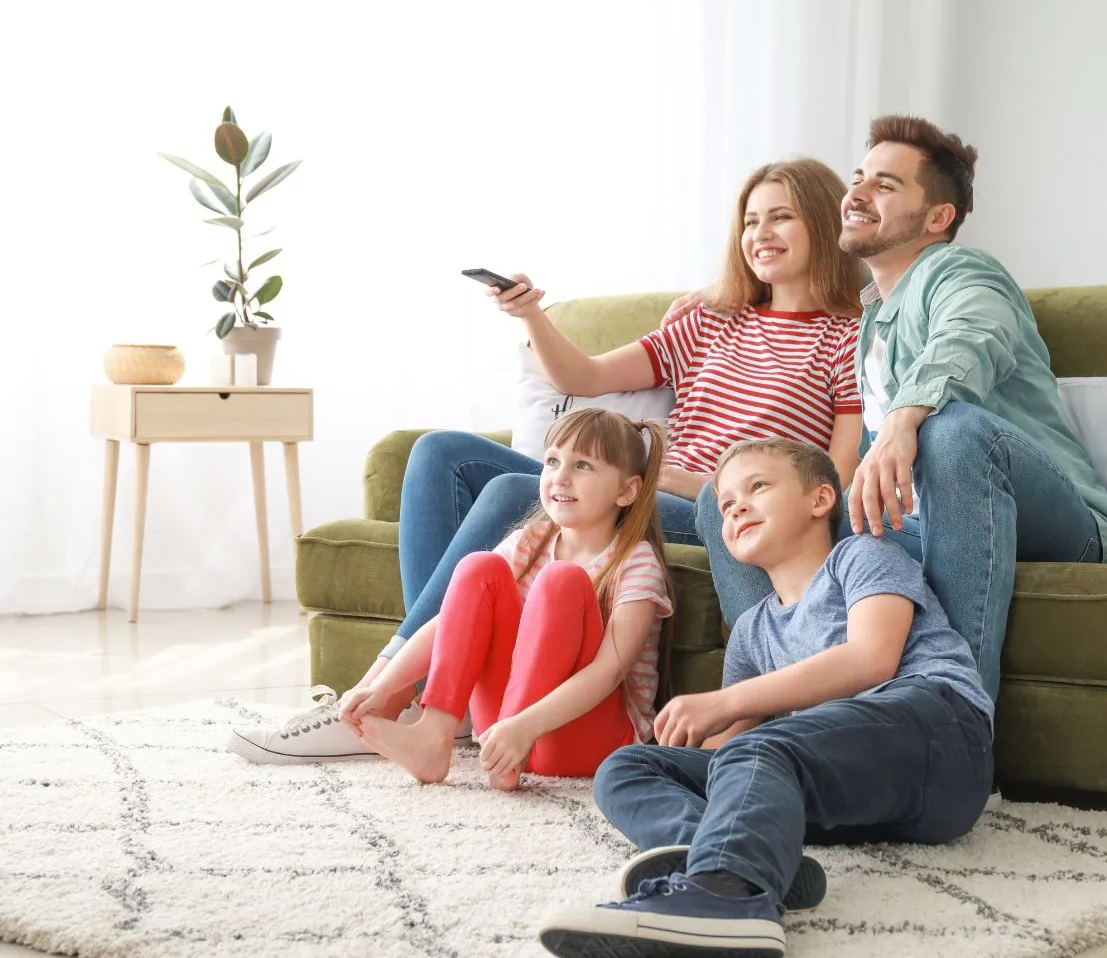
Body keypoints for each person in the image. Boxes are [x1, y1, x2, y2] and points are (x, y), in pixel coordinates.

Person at [231, 156, 867, 763]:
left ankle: (384, 698)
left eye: (781, 216)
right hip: (643, 478)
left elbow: (832, 477)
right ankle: (413, 691)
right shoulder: (710, 319)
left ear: (822, 221)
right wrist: (532, 313)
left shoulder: (848, 336)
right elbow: (585, 377)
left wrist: (684, 479)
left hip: (707, 504)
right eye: (751, 220)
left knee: (515, 492)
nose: (761, 232)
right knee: (440, 454)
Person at [693, 115, 1107, 704]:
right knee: (728, 505)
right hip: (917, 528)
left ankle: (953, 722)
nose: (858, 194)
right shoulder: (871, 321)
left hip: (1046, 519)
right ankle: (779, 712)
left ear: (938, 217)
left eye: (886, 185)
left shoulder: (964, 273)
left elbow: (972, 337)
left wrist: (903, 419)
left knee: (952, 433)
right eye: (859, 178)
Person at [536, 438, 995, 957]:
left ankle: (724, 898)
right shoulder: (754, 630)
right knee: (628, 767)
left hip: (941, 738)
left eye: (757, 488)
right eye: (727, 504)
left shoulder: (861, 557)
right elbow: (727, 759)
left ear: (820, 500)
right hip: (852, 797)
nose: (737, 507)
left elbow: (873, 658)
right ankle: (740, 860)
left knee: (762, 748)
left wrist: (724, 703)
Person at [231, 409, 673, 785]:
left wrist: (524, 726)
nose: (559, 477)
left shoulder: (636, 562)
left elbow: (608, 673)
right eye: (553, 461)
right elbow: (449, 622)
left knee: (561, 582)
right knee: (477, 568)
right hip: (501, 732)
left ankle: (511, 744)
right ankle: (433, 735)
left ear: (627, 490)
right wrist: (382, 686)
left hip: (578, 739)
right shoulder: (530, 540)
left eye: (583, 466)